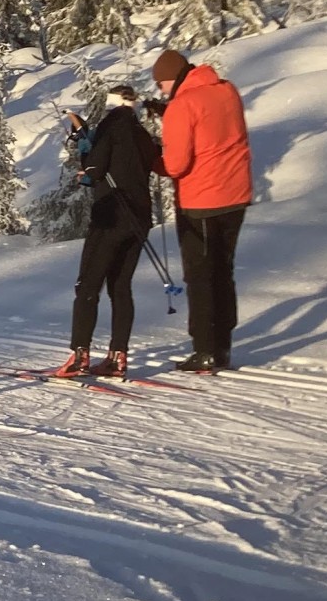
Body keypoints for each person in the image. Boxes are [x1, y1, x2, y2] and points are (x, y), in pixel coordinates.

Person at [153, 47, 253, 372]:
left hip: (201, 201)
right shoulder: (227, 90)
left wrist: (153, 155)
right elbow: (210, 127)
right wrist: (169, 112)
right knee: (224, 271)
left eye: (162, 85)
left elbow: (176, 164)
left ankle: (204, 349)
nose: (161, 91)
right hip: (236, 195)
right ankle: (222, 346)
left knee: (200, 276)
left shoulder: (181, 106)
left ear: (172, 79)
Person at [58, 85, 159, 379]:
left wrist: (83, 145)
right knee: (120, 286)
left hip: (111, 215)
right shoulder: (141, 134)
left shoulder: (109, 126)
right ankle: (118, 356)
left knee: (88, 285)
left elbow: (94, 170)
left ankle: (79, 356)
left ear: (111, 103)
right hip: (140, 218)